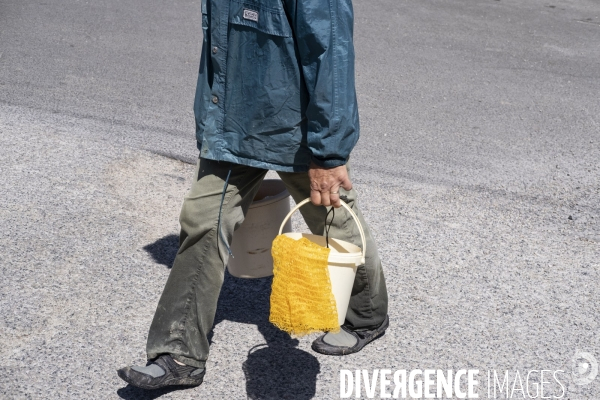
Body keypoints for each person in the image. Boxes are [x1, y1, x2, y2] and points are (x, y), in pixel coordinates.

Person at [117, 0, 388, 390]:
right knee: (203, 220)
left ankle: (366, 314)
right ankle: (179, 354)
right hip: (232, 124)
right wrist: (210, 122)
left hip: (299, 127)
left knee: (332, 217)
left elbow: (332, 57)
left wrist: (328, 154)